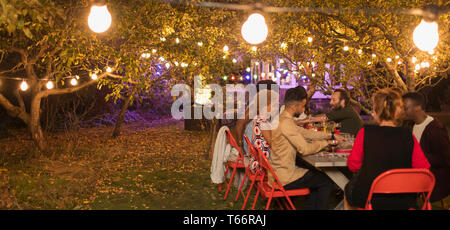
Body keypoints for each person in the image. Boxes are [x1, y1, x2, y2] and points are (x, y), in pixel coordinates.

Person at [344, 88, 430, 210]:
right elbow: (423, 168)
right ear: (398, 112)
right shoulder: (408, 135)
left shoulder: (365, 133)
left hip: (371, 199)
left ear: (375, 111)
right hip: (404, 200)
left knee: (348, 190)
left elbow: (353, 165)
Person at [270, 86, 342, 210]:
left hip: (279, 172)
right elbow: (305, 149)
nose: (304, 109)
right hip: (284, 177)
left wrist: (330, 135)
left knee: (316, 177)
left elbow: (304, 133)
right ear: (294, 106)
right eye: (303, 106)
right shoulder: (286, 123)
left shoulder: (282, 119)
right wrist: (326, 143)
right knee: (326, 181)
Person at [402, 92, 450, 203]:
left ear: (418, 108)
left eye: (405, 108)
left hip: (432, 179)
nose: (402, 111)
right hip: (414, 174)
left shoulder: (435, 129)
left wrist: (417, 156)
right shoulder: (410, 125)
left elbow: (444, 159)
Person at [235, 80, 276, 155]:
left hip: (256, 145)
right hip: (254, 148)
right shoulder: (256, 105)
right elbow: (240, 123)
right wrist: (240, 147)